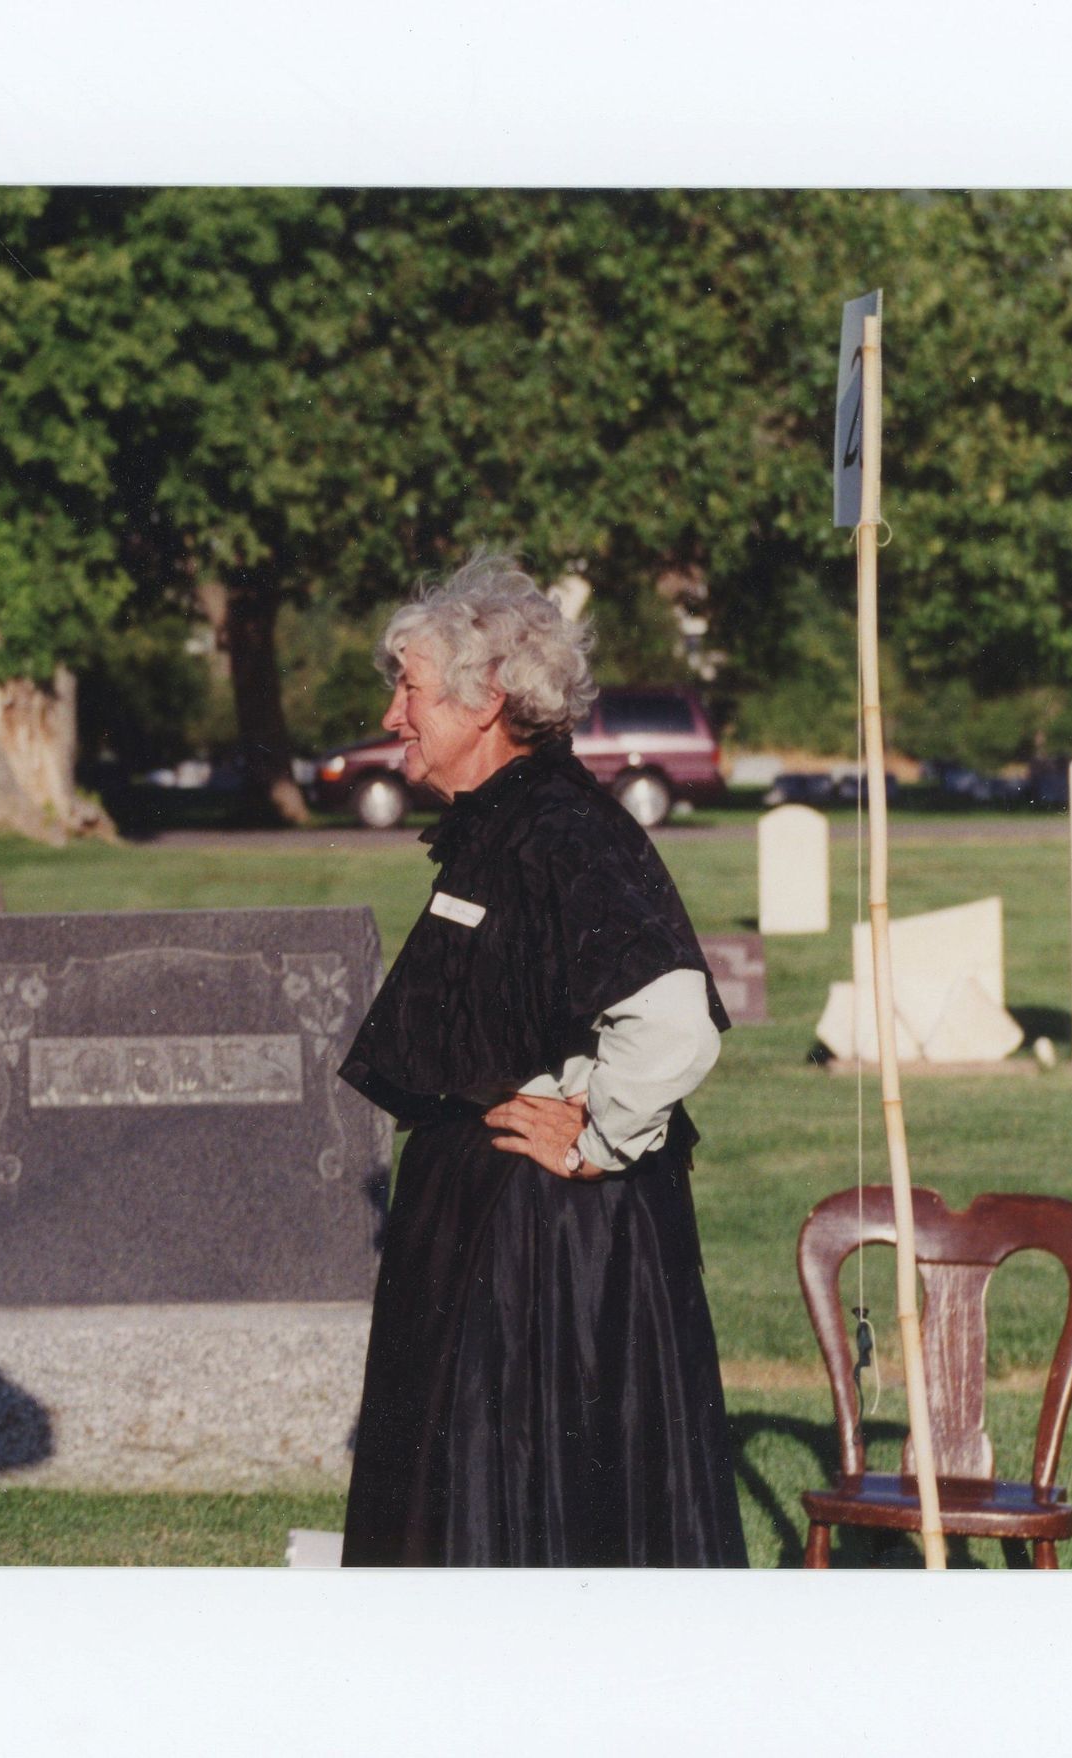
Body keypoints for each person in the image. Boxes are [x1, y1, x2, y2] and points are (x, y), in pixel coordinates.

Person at [337, 555, 745, 1566]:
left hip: (549, 1258)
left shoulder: (562, 830)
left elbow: (674, 1016)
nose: (392, 715)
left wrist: (600, 1135)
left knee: (528, 1515)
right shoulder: (505, 826)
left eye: (410, 689)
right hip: (495, 1237)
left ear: (486, 701)